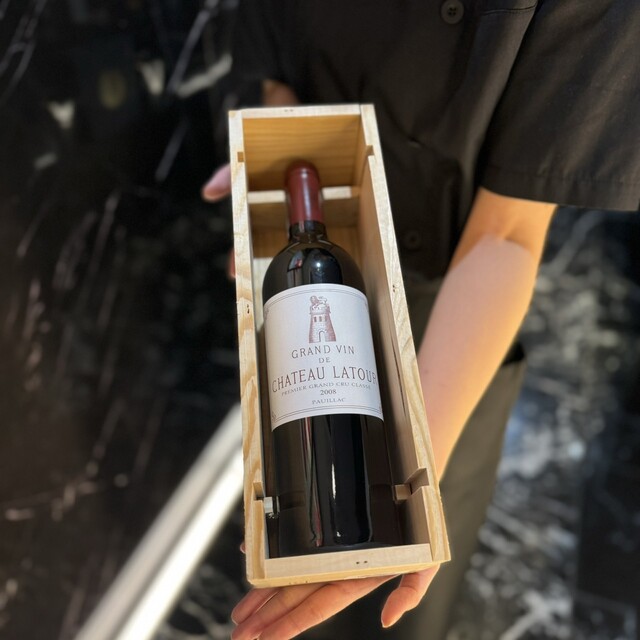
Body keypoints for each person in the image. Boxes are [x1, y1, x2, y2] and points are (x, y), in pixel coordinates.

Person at [202, 2, 640, 639]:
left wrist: (415, 472)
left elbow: (507, 233)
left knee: (399, 592)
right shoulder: (304, 259)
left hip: (451, 331)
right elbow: (280, 51)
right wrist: (279, 146)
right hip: (321, 277)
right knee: (299, 565)